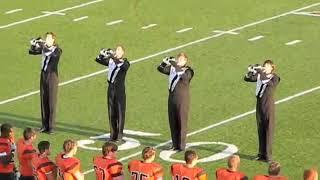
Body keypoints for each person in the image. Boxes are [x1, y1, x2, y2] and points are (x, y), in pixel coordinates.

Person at [244, 60, 280, 162]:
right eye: (264, 66)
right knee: (260, 128)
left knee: (269, 130)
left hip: (268, 105)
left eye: (267, 66)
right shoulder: (261, 75)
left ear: (272, 68)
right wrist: (251, 71)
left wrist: (260, 72)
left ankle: (268, 156)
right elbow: (247, 78)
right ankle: (261, 154)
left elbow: (267, 82)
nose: (265, 67)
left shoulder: (275, 77)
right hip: (259, 103)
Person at [157, 53, 194, 151]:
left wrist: (174, 64)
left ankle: (181, 145)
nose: (179, 60)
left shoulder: (188, 70)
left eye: (181, 59)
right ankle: (174, 144)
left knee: (181, 122)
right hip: (172, 98)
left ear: (185, 61)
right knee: (173, 121)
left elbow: (185, 78)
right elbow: (160, 69)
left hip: (182, 99)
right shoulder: (173, 69)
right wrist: (164, 62)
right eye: (178, 59)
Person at [29, 32, 63, 134]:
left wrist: (43, 45)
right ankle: (44, 125)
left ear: (53, 40)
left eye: (49, 38)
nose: (47, 39)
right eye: (46, 38)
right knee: (43, 100)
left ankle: (51, 127)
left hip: (52, 76)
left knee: (51, 102)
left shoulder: (57, 50)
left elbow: (51, 54)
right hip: (43, 75)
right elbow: (32, 52)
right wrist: (34, 44)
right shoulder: (44, 47)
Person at [95, 46, 130, 142]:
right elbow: (98, 60)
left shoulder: (125, 62)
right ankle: (112, 134)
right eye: (116, 50)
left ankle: (119, 135)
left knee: (120, 112)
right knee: (111, 111)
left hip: (119, 89)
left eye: (119, 50)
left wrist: (112, 57)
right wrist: (103, 54)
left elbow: (124, 67)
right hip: (110, 88)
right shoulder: (111, 61)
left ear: (123, 53)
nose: (117, 51)